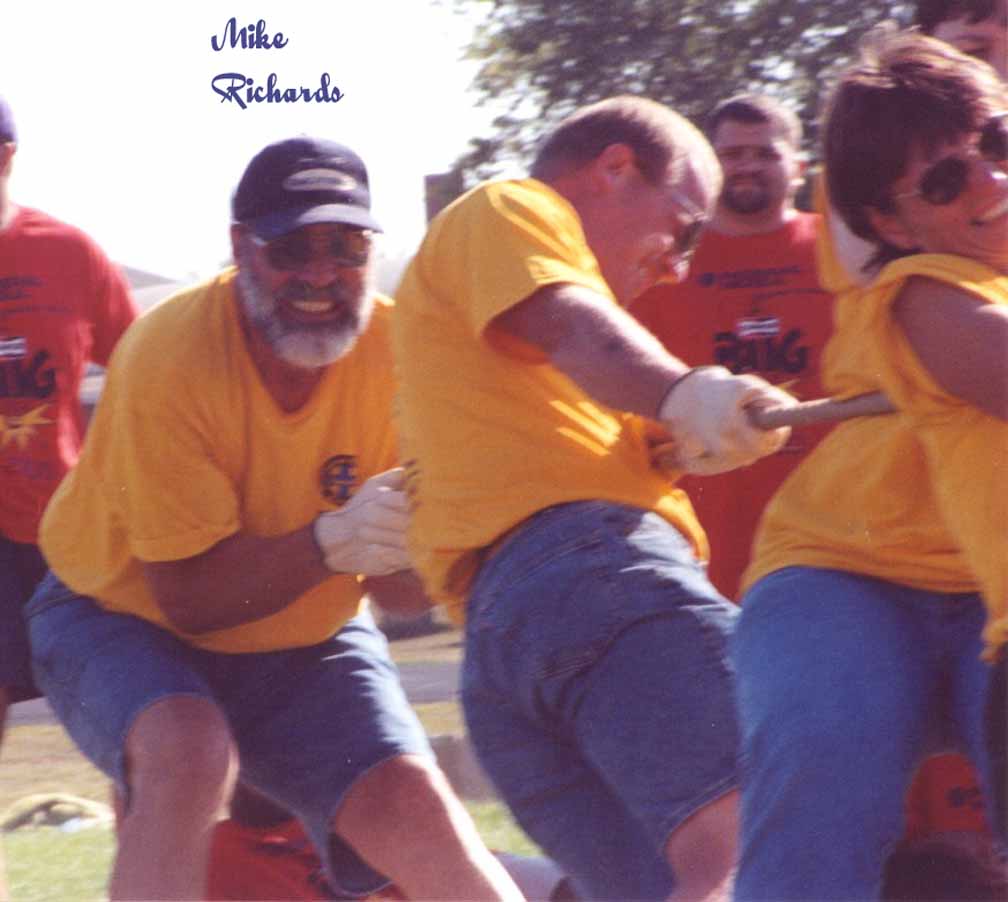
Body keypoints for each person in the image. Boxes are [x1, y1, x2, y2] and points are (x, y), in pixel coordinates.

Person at [24, 136, 524, 902]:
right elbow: (189, 600)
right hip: (117, 612)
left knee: (413, 802)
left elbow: (399, 597)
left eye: (347, 246)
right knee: (189, 754)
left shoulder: (409, 353)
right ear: (240, 248)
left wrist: (420, 545)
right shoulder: (168, 354)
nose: (321, 275)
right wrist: (334, 540)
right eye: (291, 247)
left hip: (307, 628)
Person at [392, 95, 797, 901]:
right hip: (594, 584)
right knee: (759, 851)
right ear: (614, 168)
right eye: (683, 227)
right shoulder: (513, 205)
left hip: (504, 655)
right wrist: (683, 394)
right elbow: (575, 324)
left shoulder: (514, 350)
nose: (678, 266)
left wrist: (665, 440)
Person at [731, 30, 1008, 900]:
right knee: (821, 754)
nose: (992, 180)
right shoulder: (919, 287)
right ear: (887, 222)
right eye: (946, 180)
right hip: (845, 572)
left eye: (1001, 144)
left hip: (995, 596)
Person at [0, 95, 138, 896]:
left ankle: (151, 868)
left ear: (7, 156)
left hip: (69, 525)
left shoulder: (67, 252)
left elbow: (147, 366)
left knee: (131, 709)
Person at [630, 93, 833, 600]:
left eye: (765, 153)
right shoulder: (661, 262)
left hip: (834, 531)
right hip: (706, 539)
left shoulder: (841, 249)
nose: (747, 166)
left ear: (799, 167)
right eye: (732, 154)